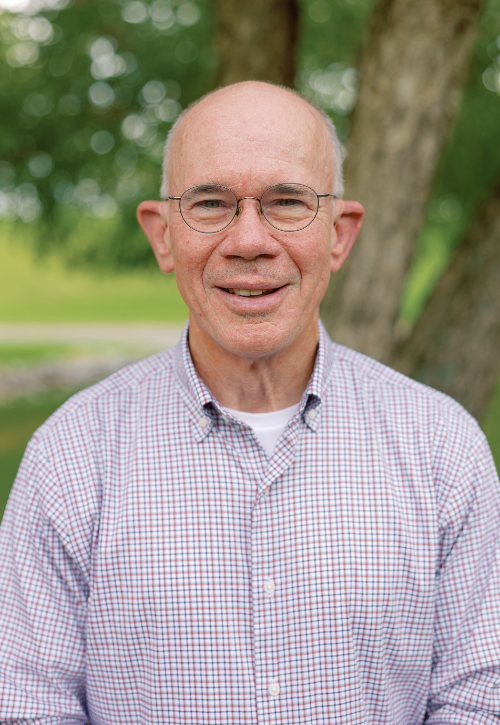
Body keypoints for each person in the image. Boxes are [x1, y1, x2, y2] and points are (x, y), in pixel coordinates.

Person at [1, 81, 499, 725]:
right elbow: (26, 705)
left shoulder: (442, 448)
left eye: (287, 202)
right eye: (210, 204)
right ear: (162, 235)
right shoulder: (71, 456)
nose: (249, 241)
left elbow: (479, 698)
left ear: (340, 234)